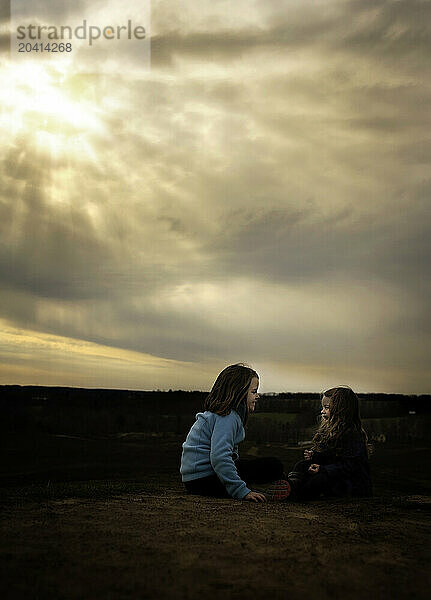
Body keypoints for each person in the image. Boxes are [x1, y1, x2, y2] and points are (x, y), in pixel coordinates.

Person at [180, 363, 287, 502]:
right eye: (254, 392)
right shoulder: (227, 417)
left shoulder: (222, 415)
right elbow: (219, 457)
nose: (258, 396)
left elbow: (228, 457)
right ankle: (285, 485)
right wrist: (241, 491)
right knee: (273, 465)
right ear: (239, 393)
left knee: (251, 466)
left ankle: (275, 484)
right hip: (205, 480)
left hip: (195, 480)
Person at [288, 386, 372, 500]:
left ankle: (297, 495)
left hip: (350, 485)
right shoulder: (330, 432)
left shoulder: (352, 434)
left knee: (318, 480)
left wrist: (323, 469)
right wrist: (315, 457)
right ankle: (290, 487)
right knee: (301, 465)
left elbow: (351, 466)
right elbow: (329, 457)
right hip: (333, 473)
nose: (322, 411)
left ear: (341, 410)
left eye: (326, 408)